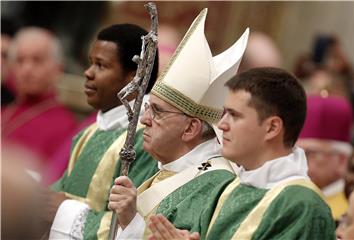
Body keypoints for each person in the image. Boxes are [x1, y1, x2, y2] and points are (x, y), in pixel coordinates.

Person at [107, 9, 249, 239]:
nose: (143, 120)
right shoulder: (166, 168)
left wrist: (133, 224)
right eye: (147, 108)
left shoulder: (215, 186)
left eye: (157, 111)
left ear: (191, 128)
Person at [148, 67, 335, 240]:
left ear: (272, 127)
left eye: (234, 115)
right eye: (224, 114)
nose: (221, 125)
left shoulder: (303, 206)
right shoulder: (231, 187)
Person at [48, 24, 159, 239]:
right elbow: (58, 194)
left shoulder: (146, 140)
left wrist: (64, 213)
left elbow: (137, 224)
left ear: (134, 76)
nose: (88, 73)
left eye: (101, 65)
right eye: (91, 63)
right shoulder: (89, 132)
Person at [1, 27, 77, 179]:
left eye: (37, 60)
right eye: (20, 60)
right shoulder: (5, 110)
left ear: (58, 68)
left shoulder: (66, 127)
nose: (27, 69)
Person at [297, 95, 354, 220]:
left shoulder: (351, 211)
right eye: (296, 153)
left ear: (341, 161)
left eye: (309, 153)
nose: (299, 162)